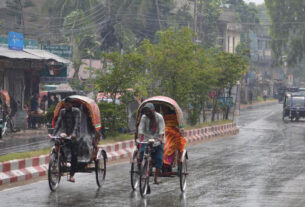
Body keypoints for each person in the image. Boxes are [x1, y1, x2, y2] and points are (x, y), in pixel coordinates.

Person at [53, 98, 81, 183]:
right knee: (58, 144)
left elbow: (77, 124)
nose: (66, 106)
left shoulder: (76, 111)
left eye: (68, 105)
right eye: (65, 105)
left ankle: (72, 175)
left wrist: (73, 134)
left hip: (74, 135)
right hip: (65, 133)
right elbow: (58, 122)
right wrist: (54, 134)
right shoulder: (62, 111)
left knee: (74, 155)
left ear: (71, 104)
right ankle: (60, 162)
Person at [137, 103, 165, 184]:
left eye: (149, 112)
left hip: (157, 140)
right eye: (146, 112)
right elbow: (141, 128)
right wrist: (139, 137)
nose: (147, 114)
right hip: (146, 139)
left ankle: (156, 178)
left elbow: (161, 129)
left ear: (153, 111)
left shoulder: (159, 117)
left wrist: (160, 138)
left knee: (159, 159)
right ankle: (143, 169)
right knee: (142, 153)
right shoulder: (144, 117)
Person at [162, 106, 186, 172]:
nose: (163, 110)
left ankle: (168, 162)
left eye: (164, 109)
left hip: (173, 134)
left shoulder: (175, 116)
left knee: (168, 146)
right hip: (164, 133)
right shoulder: (162, 117)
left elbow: (179, 125)